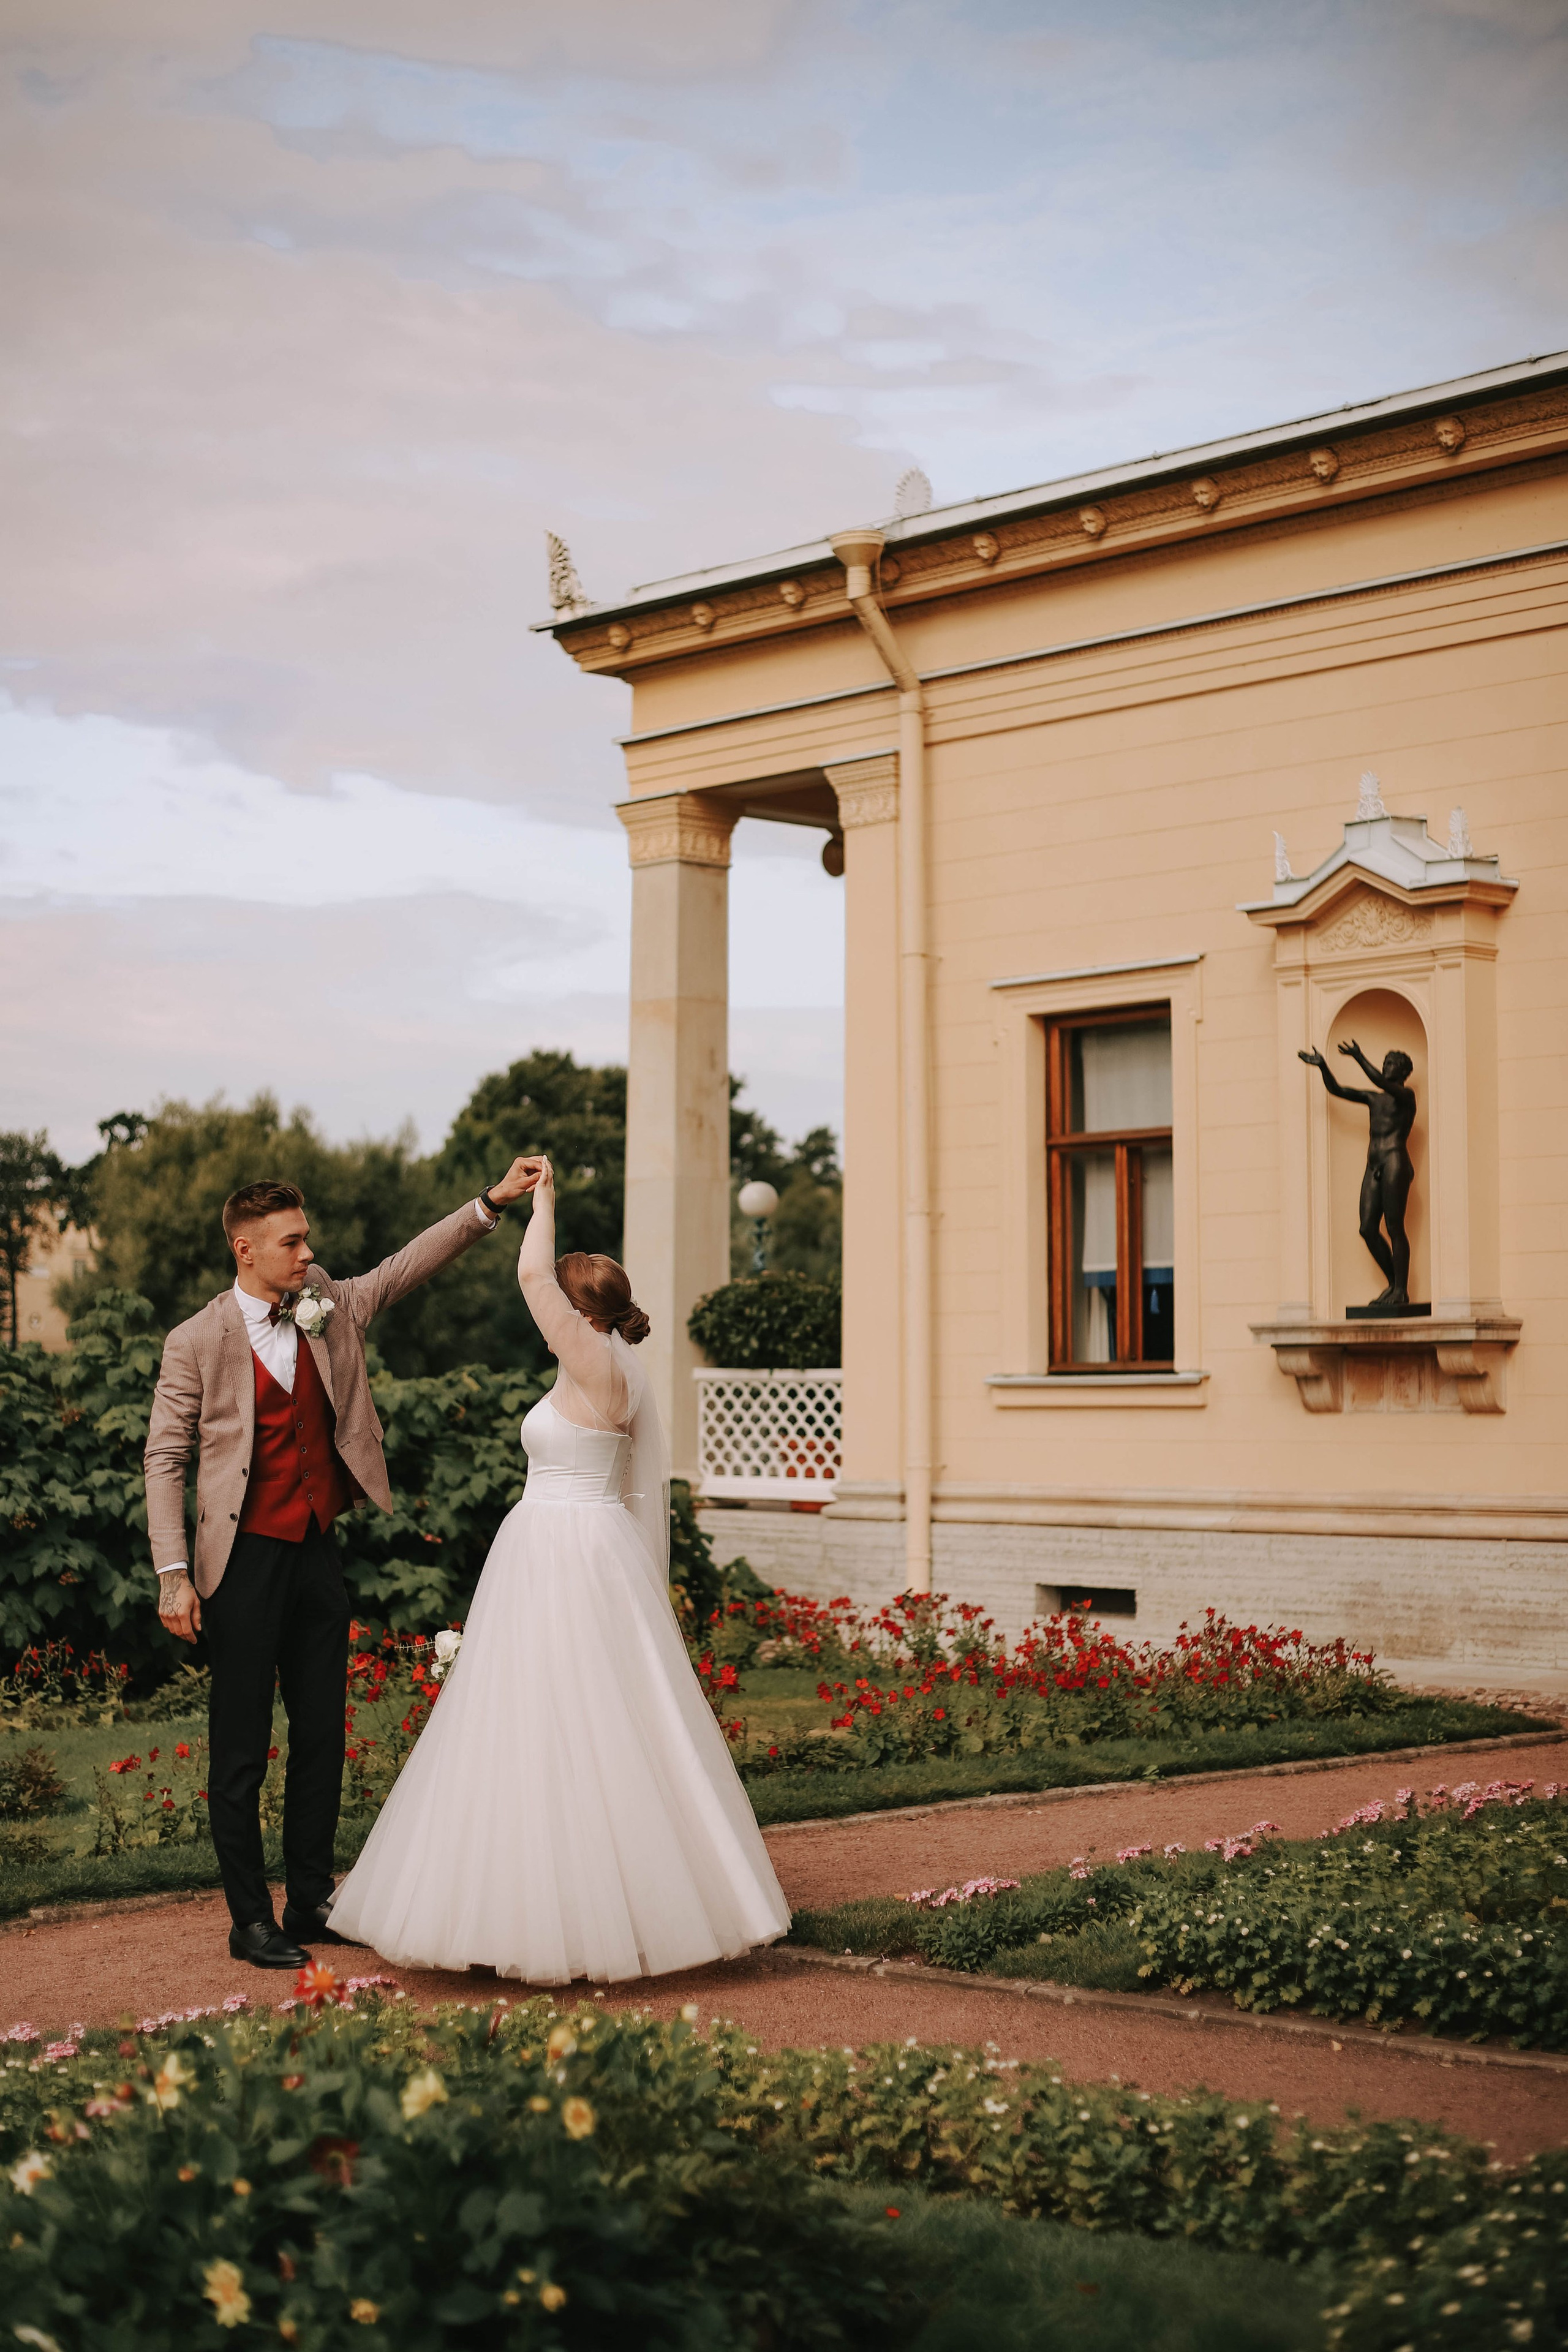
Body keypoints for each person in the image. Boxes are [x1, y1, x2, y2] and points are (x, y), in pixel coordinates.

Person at [326, 1155, 790, 1983]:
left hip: (560, 1549)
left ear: (579, 1314)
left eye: (563, 1302)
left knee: (550, 1713)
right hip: (585, 1545)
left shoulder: (592, 1359)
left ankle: (554, 1910)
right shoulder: (616, 1368)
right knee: (575, 1714)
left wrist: (544, 1200)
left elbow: (530, 1269)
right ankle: (593, 1892)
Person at [144, 1162, 543, 1969]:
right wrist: (173, 1573)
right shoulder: (196, 1341)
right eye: (292, 1241)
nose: (306, 1251)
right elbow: (165, 1458)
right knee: (243, 1746)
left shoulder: (326, 1300)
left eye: (306, 1237)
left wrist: (491, 1204)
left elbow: (403, 1268)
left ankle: (310, 1899)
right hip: (242, 1562)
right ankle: (249, 1920)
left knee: (324, 1732)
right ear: (244, 1247)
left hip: (316, 1553)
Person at [1298, 1038, 1418, 1308]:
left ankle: (1401, 1290)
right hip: (1374, 1164)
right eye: (1385, 1062)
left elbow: (1381, 1082)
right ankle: (1394, 1285)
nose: (1387, 1067)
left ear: (1403, 1072)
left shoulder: (1406, 1097)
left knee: (1394, 1227)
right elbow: (1338, 1090)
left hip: (1395, 1162)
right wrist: (1323, 1067)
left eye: (1392, 1064)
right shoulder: (1374, 1099)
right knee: (1367, 1228)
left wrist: (1359, 1056)